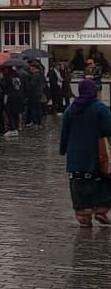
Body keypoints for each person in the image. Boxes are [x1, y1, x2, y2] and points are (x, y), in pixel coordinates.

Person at [60, 79, 111, 227]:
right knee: (102, 182)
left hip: (76, 156)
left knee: (78, 184)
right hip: (97, 154)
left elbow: (65, 133)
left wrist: (63, 149)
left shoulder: (71, 110)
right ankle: (101, 209)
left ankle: (83, 215)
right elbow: (108, 129)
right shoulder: (101, 109)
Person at [3, 66, 25, 136]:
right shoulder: (18, 76)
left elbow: (4, 87)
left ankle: (12, 129)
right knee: (16, 113)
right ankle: (16, 128)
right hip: (19, 96)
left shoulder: (7, 78)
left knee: (10, 113)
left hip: (11, 97)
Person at [25, 61, 47, 127]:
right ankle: (39, 122)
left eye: (31, 67)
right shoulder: (41, 74)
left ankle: (36, 122)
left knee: (34, 108)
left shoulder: (35, 75)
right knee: (38, 108)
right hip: (39, 93)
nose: (30, 69)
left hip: (34, 94)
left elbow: (32, 85)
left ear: (34, 68)